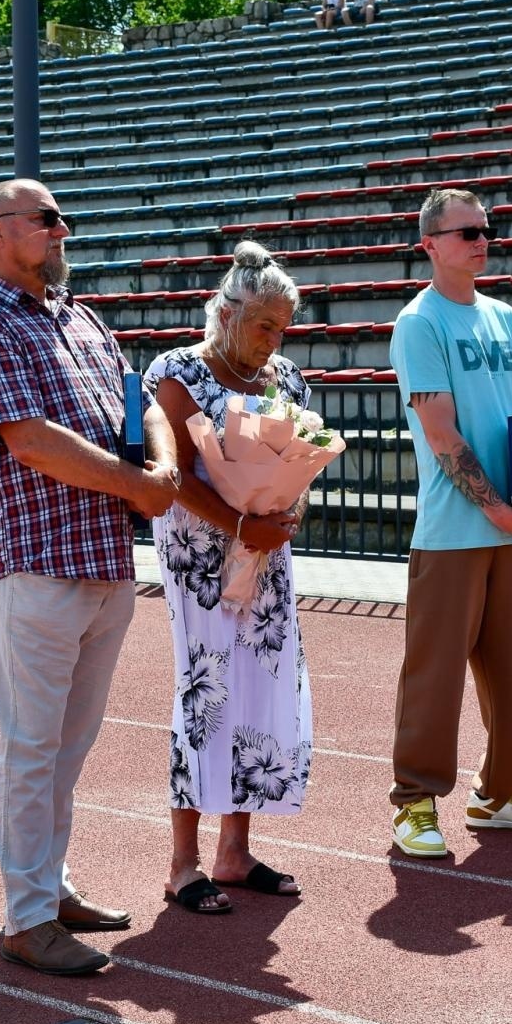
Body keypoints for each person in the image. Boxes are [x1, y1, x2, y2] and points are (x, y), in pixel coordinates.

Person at [0, 178, 181, 976]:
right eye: (46, 220)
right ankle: (27, 918)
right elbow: (30, 440)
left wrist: (164, 468)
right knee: (32, 748)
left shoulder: (79, 316)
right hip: (37, 562)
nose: (62, 230)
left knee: (68, 748)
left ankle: (50, 887)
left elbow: (142, 403)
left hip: (103, 558)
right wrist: (136, 483)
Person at [386, 189, 512, 859]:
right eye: (465, 232)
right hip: (453, 531)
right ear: (430, 245)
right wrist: (495, 507)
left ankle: (500, 795)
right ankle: (414, 802)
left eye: (485, 230)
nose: (480, 240)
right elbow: (440, 431)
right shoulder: (419, 322)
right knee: (434, 677)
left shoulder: (505, 318)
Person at [145, 241, 314, 915]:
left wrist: (288, 507)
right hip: (199, 556)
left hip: (266, 554)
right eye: (264, 325)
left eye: (283, 327)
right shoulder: (179, 372)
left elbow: (299, 459)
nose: (274, 339)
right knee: (207, 690)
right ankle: (182, 863)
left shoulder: (287, 378)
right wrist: (241, 524)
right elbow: (173, 473)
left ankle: (234, 852)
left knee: (261, 687)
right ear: (225, 312)